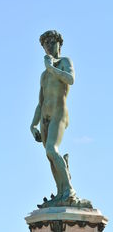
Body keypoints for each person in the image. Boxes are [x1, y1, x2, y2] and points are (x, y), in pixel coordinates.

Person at [30, 30, 75, 200]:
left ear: (59, 44)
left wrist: (51, 67)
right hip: (45, 117)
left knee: (51, 149)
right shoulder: (43, 75)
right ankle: (60, 191)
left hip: (59, 113)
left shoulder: (64, 62)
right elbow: (40, 103)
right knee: (50, 156)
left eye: (51, 42)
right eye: (45, 44)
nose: (48, 46)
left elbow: (71, 79)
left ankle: (69, 190)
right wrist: (32, 125)